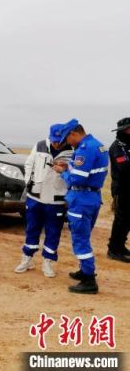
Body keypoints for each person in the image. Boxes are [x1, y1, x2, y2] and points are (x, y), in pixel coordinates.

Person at [52, 119, 109, 294]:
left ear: (74, 134)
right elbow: (86, 171)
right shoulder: (97, 145)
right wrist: (68, 166)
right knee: (83, 236)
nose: (67, 143)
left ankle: (89, 281)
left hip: (81, 199)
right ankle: (84, 271)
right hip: (91, 197)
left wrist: (63, 172)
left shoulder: (85, 149)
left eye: (67, 139)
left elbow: (77, 179)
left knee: (80, 239)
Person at [15, 124, 73, 277]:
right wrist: (29, 182)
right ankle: (27, 258)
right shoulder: (40, 145)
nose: (56, 143)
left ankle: (47, 262)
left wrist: (66, 169)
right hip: (36, 196)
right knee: (32, 228)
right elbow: (29, 164)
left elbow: (75, 173)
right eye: (54, 140)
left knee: (53, 232)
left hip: (57, 199)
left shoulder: (73, 151)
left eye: (59, 140)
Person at [107, 117, 130, 263]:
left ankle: (120, 246)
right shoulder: (117, 147)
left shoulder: (128, 144)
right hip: (122, 189)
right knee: (121, 219)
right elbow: (125, 168)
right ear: (125, 130)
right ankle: (113, 249)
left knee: (128, 220)